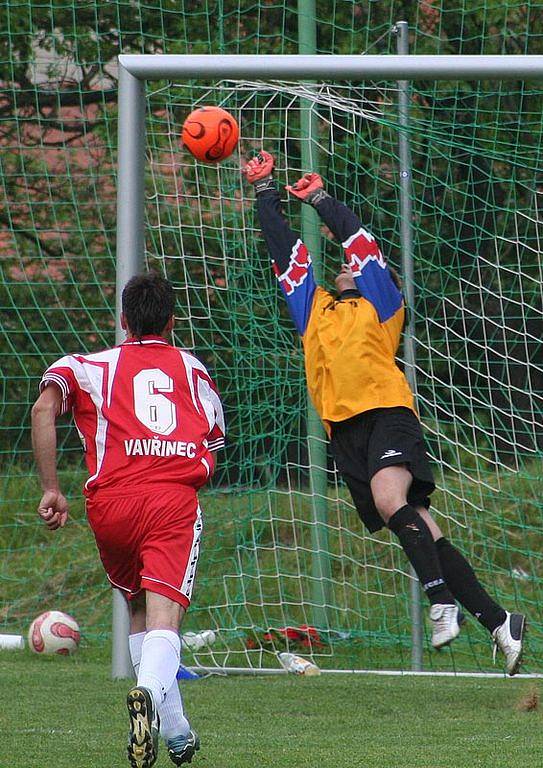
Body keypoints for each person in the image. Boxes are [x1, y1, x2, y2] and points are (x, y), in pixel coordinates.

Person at [242, 150, 525, 675]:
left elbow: (360, 245)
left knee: (390, 499)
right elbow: (286, 253)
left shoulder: (382, 303)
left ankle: (440, 602)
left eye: (355, 264)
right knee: (421, 527)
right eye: (344, 265)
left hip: (386, 413)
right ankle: (499, 619)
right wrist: (265, 190)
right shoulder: (314, 308)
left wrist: (322, 199)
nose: (349, 265)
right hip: (344, 434)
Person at [31, 272, 225, 767]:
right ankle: (145, 696)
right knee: (166, 616)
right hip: (169, 500)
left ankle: (177, 732)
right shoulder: (194, 369)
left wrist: (51, 487)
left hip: (110, 505)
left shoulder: (89, 366)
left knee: (137, 608)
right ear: (173, 322)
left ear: (123, 321)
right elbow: (216, 446)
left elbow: (43, 407)